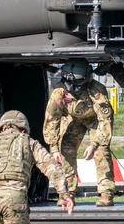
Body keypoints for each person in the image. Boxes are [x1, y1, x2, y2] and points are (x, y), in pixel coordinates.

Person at [43, 58, 116, 207]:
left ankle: (106, 193)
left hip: (94, 120)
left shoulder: (97, 91)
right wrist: (54, 148)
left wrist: (94, 144)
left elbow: (105, 121)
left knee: (102, 151)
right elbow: (52, 119)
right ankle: (67, 194)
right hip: (73, 119)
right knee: (65, 150)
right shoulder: (59, 92)